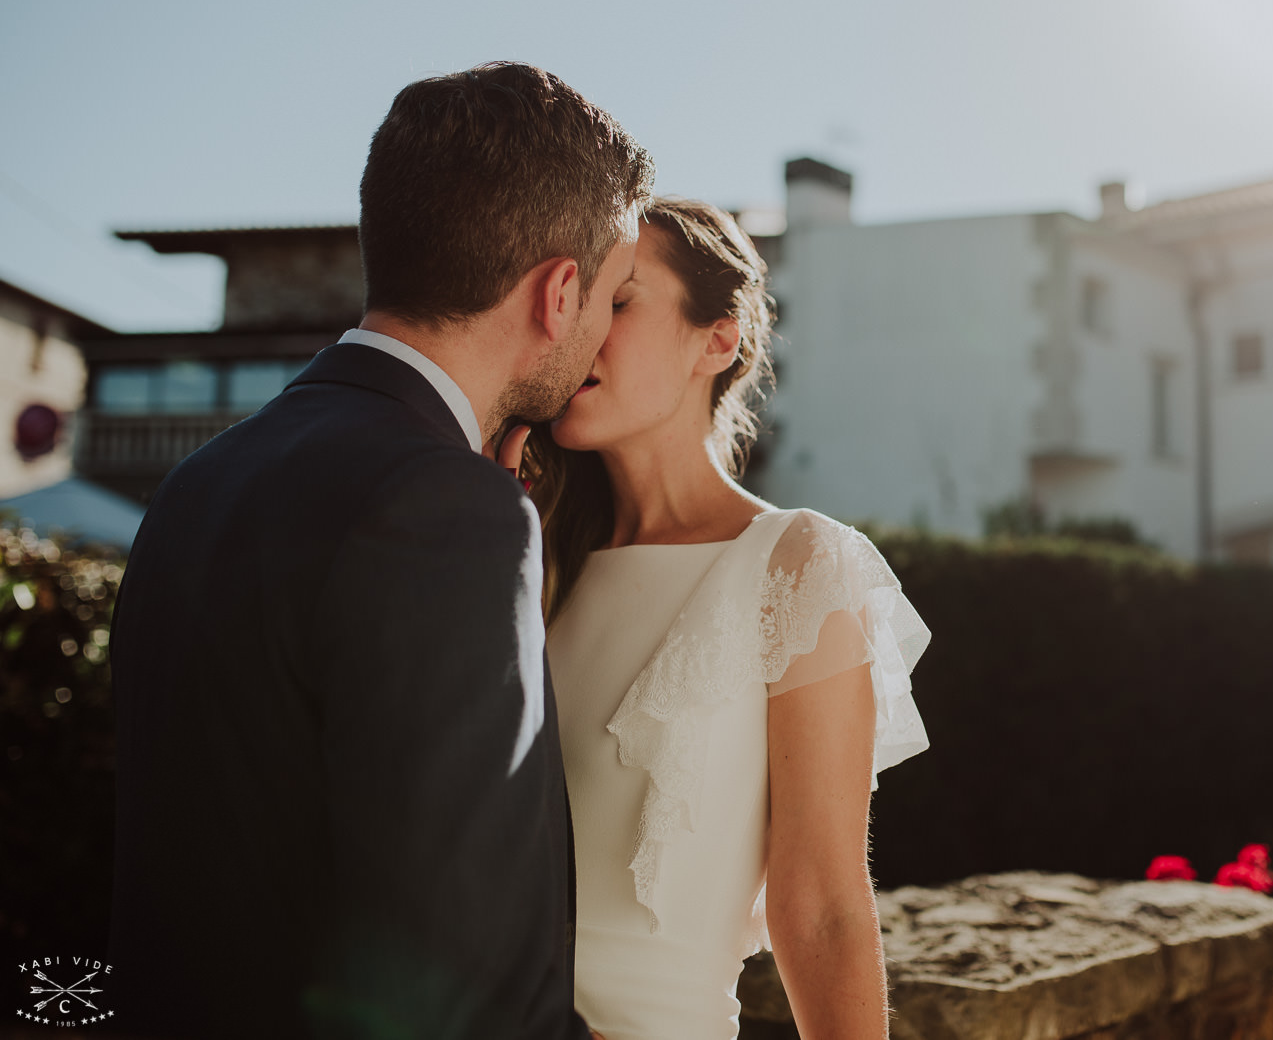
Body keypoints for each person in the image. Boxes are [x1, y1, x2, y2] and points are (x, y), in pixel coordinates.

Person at [109, 63, 652, 1039]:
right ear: (557, 293)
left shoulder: (201, 481)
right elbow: (459, 970)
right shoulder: (448, 508)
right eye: (614, 298)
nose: (608, 335)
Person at [524, 196, 931, 1039]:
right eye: (582, 300)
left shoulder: (794, 564)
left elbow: (821, 909)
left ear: (719, 339)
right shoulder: (533, 566)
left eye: (622, 301)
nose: (583, 331)